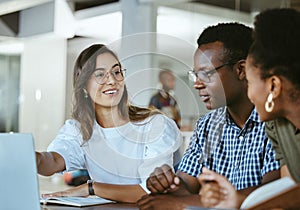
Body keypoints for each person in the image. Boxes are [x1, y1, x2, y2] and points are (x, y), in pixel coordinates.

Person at [137, 22, 280, 209]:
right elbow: (187, 182)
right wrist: (168, 183)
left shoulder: (275, 122)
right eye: (195, 75)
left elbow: (272, 193)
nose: (197, 84)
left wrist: (181, 202)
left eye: (205, 74)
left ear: (241, 70)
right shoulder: (206, 125)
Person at [36, 44, 182, 203]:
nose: (112, 80)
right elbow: (52, 161)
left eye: (116, 72)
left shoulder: (155, 124)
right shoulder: (79, 129)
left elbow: (148, 191)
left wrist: (91, 188)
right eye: (100, 75)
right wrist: (30, 157)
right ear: (83, 86)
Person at [198, 8, 300, 209]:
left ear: (273, 86)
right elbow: (292, 191)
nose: (250, 94)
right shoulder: (275, 126)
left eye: (251, 83)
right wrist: (238, 201)